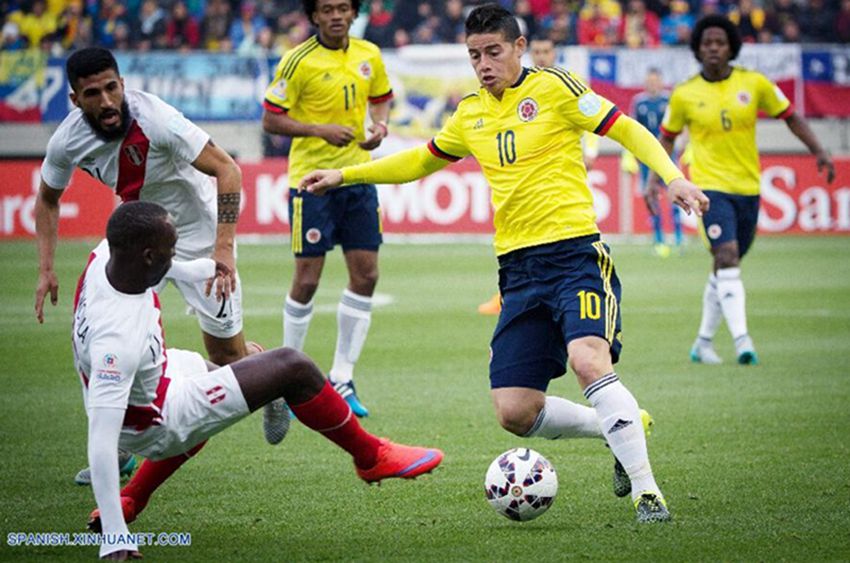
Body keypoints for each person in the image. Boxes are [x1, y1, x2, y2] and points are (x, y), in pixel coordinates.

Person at [300, 4, 710, 522]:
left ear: (519, 48)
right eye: (474, 55)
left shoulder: (556, 88)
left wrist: (672, 175)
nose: (483, 63)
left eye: (493, 51)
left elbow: (625, 129)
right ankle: (618, 425)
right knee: (515, 412)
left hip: (575, 254)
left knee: (589, 360)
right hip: (518, 271)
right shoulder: (470, 112)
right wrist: (348, 175)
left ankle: (648, 494)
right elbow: (422, 160)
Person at [77, 201, 443, 560]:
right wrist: (114, 536)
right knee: (292, 365)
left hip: (160, 376)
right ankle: (371, 456)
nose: (173, 256)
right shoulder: (117, 342)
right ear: (146, 256)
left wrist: (203, 268)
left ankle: (133, 497)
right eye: (169, 251)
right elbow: (101, 440)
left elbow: (163, 268)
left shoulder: (104, 258)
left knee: (214, 377)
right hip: (155, 423)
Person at [32, 47, 291, 484]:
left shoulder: (156, 119)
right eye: (93, 93)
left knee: (226, 357)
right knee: (109, 342)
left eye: (112, 87)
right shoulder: (67, 140)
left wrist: (223, 249)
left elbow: (227, 169)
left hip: (198, 240)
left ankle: (270, 380)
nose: (107, 101)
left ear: (122, 83)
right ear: (76, 100)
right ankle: (114, 454)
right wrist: (45, 267)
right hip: (135, 243)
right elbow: (47, 199)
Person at [650, 15, 835, 365]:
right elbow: (666, 138)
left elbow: (791, 116)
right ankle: (742, 341)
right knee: (727, 256)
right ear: (698, 49)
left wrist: (819, 150)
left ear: (731, 47)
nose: (714, 48)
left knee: (725, 266)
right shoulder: (685, 93)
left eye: (720, 42)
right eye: (707, 43)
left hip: (749, 187)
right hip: (708, 188)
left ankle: (703, 343)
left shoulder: (755, 83)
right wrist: (654, 179)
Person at [261, 0, 393, 419]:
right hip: (311, 182)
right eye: (327, 9)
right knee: (307, 279)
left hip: (357, 179)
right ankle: (283, 378)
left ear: (353, 13)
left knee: (367, 274)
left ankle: (342, 376)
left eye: (342, 8)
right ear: (313, 16)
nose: (336, 15)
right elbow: (270, 119)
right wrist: (318, 129)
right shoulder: (296, 61)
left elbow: (382, 98)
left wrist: (380, 127)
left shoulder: (369, 54)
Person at [477, 35, 597, 315]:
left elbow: (593, 121)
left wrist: (590, 151)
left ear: (555, 54)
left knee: (559, 232)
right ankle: (507, 294)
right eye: (538, 51)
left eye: (546, 51)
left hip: (562, 170)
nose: (542, 56)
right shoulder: (517, 87)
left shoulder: (565, 83)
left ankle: (569, 293)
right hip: (522, 177)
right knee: (518, 232)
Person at [629, 67, 682, 257]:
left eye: (655, 81)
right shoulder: (639, 102)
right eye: (649, 81)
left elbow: (678, 127)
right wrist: (636, 154)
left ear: (661, 82)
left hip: (669, 157)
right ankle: (658, 238)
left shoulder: (668, 99)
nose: (652, 84)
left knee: (675, 195)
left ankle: (678, 238)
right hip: (646, 159)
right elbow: (633, 129)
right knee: (651, 197)